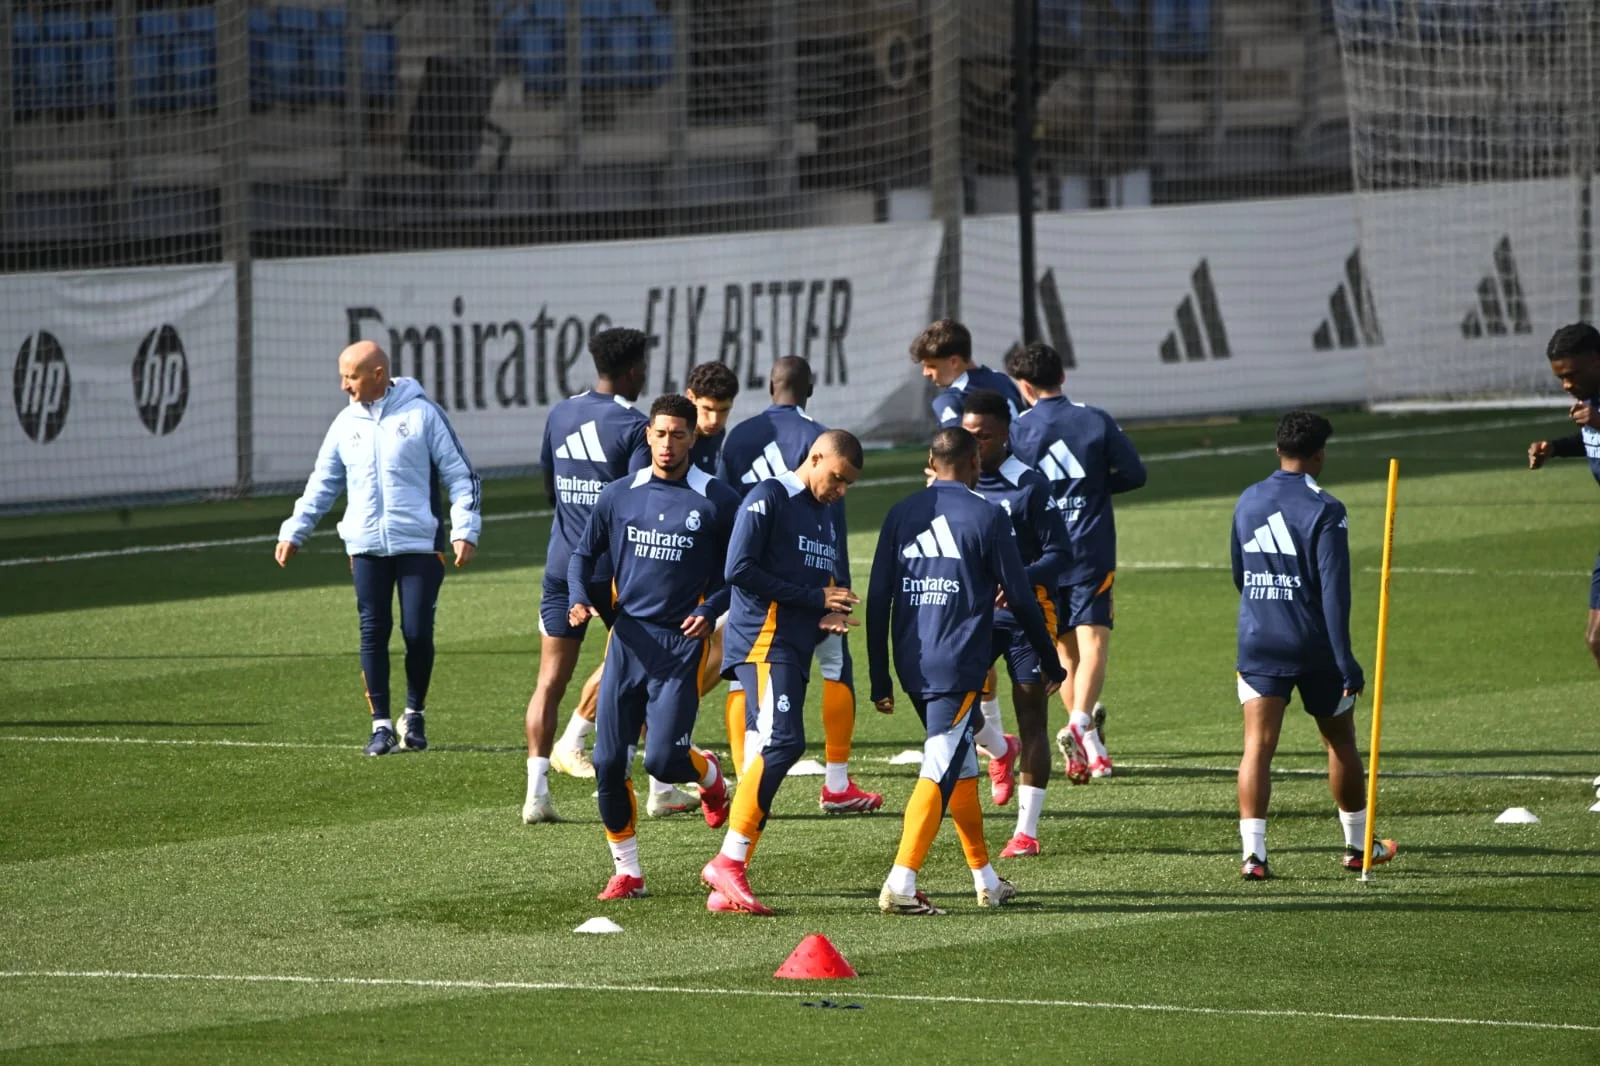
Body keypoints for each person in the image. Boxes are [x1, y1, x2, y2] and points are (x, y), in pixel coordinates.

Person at [866, 427, 1065, 914]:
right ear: (975, 461)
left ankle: (986, 879)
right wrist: (1051, 657)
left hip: (911, 661)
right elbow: (1019, 597)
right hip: (956, 664)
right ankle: (902, 881)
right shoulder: (986, 514)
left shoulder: (899, 513)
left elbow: (877, 600)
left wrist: (879, 675)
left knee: (962, 768)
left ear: (932, 463)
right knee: (939, 767)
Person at [568, 394, 743, 900]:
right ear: (648, 434)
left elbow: (743, 573)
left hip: (682, 647)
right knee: (607, 762)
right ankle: (629, 872)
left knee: (663, 761)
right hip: (627, 642)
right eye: (660, 433)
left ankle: (708, 775)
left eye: (679, 435)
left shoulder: (717, 500)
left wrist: (711, 610)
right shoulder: (620, 494)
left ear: (694, 438)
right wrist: (580, 599)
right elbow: (583, 556)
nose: (668, 444)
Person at [275, 341, 480, 755]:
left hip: (420, 545)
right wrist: (294, 530)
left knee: (417, 632)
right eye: (342, 376)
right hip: (366, 545)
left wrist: (465, 529)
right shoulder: (343, 424)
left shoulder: (423, 414)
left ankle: (414, 714)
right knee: (373, 631)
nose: (343, 386)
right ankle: (381, 726)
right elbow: (322, 483)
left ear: (379, 375)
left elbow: (461, 476)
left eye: (350, 376)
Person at [700, 430, 865, 914]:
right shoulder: (769, 495)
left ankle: (727, 882)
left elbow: (812, 578)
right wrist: (814, 599)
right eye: (836, 477)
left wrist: (825, 612)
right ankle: (727, 863)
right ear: (815, 457)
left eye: (848, 483)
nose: (840, 490)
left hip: (793, 642)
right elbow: (739, 569)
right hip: (763, 642)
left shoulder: (827, 511)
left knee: (761, 761)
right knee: (785, 744)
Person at [1231, 410, 1395, 880]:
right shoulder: (1326, 508)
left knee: (1257, 747)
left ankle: (1254, 856)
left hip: (1259, 641)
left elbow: (1240, 575)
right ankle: (1358, 847)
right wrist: (1347, 661)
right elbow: (1334, 593)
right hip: (1314, 646)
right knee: (1340, 741)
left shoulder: (1248, 500)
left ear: (1278, 449)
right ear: (1320, 453)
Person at [716, 356, 881, 813]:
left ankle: (744, 789)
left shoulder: (740, 436)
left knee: (752, 701)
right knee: (820, 685)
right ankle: (835, 780)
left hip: (776, 598)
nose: (841, 490)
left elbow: (727, 506)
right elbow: (745, 558)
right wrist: (831, 592)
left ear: (772, 385)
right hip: (771, 609)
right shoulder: (814, 447)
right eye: (838, 480)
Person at [522, 328, 650, 823]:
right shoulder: (635, 426)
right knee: (635, 677)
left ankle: (536, 794)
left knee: (549, 681)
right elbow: (640, 502)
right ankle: (644, 787)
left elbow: (550, 487)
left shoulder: (561, 413)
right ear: (634, 369)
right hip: (616, 574)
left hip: (561, 565)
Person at [1005, 341, 1145, 784]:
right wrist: (1095, 488)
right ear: (1062, 377)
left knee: (1063, 651)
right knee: (1094, 646)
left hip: (1043, 555)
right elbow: (1135, 474)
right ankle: (1082, 725)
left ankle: (1091, 747)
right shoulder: (1095, 418)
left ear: (1023, 386)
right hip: (1090, 548)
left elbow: (1010, 491)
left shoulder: (1017, 429)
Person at [961, 389, 1073, 857]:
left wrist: (1019, 580)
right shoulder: (954, 486)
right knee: (954, 710)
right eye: (968, 435)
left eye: (983, 436)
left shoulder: (1030, 484)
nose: (975, 444)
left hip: (1028, 616)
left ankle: (1025, 832)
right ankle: (997, 748)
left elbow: (1060, 553)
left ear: (1005, 434)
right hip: (973, 617)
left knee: (1033, 717)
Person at [1528, 323, 1600, 669]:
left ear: (1595, 361)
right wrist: (1555, 448)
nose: (1566, 385)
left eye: (1571, 375)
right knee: (1596, 639)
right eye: (1560, 378)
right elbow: (1591, 442)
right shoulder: (1588, 400)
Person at [910, 318, 1026, 425]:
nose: (925, 373)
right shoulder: (1003, 379)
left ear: (954, 362)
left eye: (932, 366)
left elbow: (958, 446)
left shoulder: (950, 400)